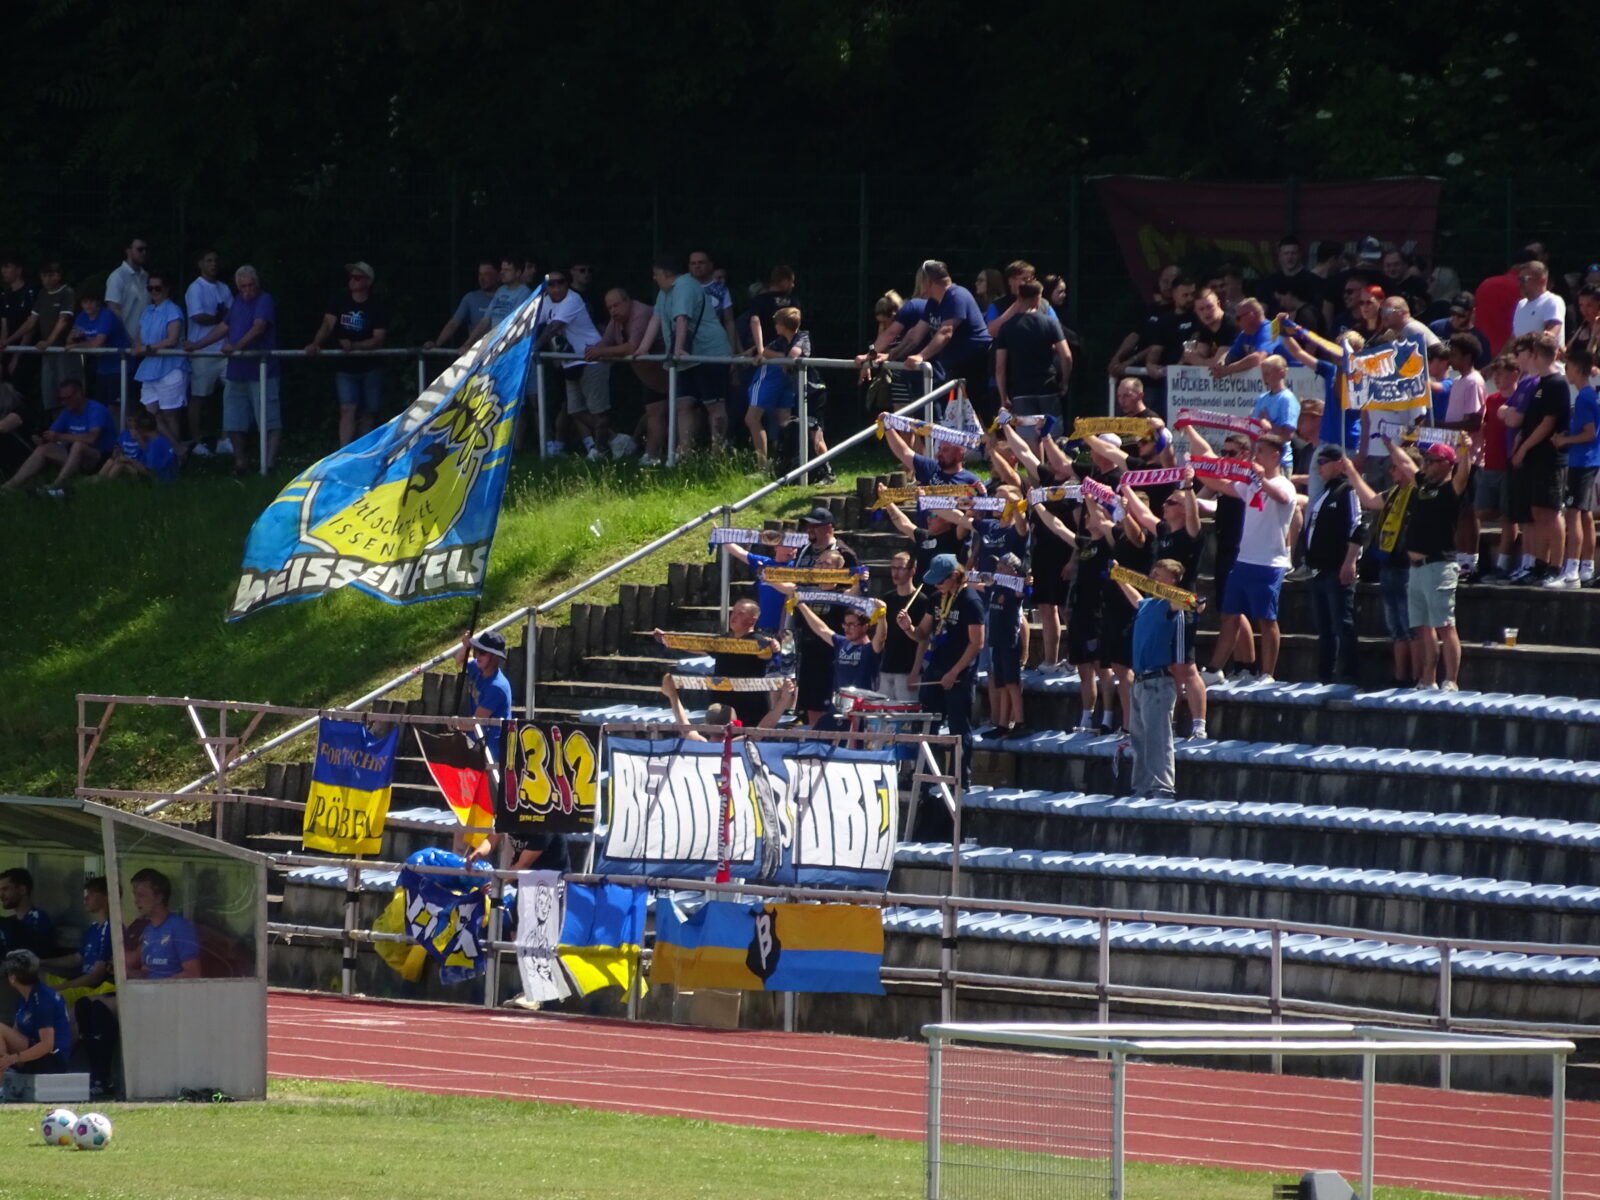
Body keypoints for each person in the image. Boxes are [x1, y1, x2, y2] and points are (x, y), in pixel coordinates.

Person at [1198, 432, 1296, 683]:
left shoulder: (1285, 485)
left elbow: (1282, 498)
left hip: (1268, 563)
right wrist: (1196, 468)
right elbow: (1223, 486)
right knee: (1229, 614)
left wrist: (1262, 479)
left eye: (1261, 451)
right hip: (1244, 560)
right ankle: (1214, 669)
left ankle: (1267, 673)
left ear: (1275, 455)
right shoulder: (1250, 484)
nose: (1256, 456)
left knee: (1266, 619)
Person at [1390, 435, 1472, 688]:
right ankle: (1428, 679)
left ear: (1447, 464)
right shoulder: (1423, 485)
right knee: (1423, 628)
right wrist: (1389, 443)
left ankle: (1451, 680)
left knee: (1445, 626)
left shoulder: (1451, 489)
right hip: (1416, 568)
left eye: (1433, 461)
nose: (1426, 465)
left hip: (1439, 565)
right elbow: (1405, 464)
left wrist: (1465, 449)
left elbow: (1464, 474)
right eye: (1426, 460)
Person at [899, 553, 984, 792]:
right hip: (935, 669)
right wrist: (909, 628)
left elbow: (977, 643)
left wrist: (954, 672)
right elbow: (922, 634)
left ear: (955, 576)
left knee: (958, 727)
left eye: (941, 581)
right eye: (934, 581)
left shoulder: (970, 600)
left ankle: (960, 780)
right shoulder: (936, 599)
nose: (936, 585)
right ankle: (927, 778)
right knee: (928, 725)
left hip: (960, 674)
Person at [1113, 558, 1193, 798]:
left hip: (1158, 682)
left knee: (1158, 738)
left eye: (1160, 574)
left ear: (1172, 581)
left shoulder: (1171, 606)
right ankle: (1142, 786)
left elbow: (1191, 601)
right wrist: (1119, 574)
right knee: (1139, 739)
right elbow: (1135, 597)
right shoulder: (1146, 604)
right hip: (1139, 682)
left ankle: (1163, 787)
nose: (1154, 577)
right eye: (1153, 573)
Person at [642, 254, 733, 452]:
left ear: (665, 274)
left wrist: (678, 349)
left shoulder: (684, 286)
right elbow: (655, 320)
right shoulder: (663, 292)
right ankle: (684, 455)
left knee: (714, 405)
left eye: (656, 274)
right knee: (683, 405)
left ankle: (718, 455)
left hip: (708, 354)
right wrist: (642, 349)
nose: (654, 278)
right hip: (686, 359)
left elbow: (682, 318)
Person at [655, 597, 784, 728]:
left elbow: (768, 652)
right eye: (733, 612)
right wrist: (668, 640)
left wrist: (774, 646)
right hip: (722, 705)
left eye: (740, 613)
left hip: (751, 707)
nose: (734, 616)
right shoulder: (724, 640)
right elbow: (699, 647)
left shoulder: (759, 641)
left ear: (752, 620)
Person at [1506, 332, 1571, 586]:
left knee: (1550, 512)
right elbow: (1531, 420)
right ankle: (1539, 564)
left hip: (1549, 458)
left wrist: (1523, 449)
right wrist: (1520, 442)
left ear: (1535, 353)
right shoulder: (1540, 383)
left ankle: (1556, 567)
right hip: (1534, 458)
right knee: (1536, 511)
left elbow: (1548, 422)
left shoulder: (1557, 382)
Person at [306, 261, 389, 446]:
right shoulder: (339, 300)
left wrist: (354, 346)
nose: (352, 281)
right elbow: (327, 324)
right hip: (345, 367)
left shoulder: (376, 306)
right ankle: (344, 452)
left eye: (357, 277)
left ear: (368, 282)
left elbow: (378, 339)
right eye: (351, 277)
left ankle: (363, 451)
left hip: (370, 366)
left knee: (369, 411)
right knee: (347, 408)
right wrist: (315, 343)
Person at [1300, 446, 1365, 683]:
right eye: (1318, 462)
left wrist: (1350, 561)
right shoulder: (1325, 494)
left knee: (1342, 624)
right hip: (1318, 570)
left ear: (1339, 463)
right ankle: (1325, 675)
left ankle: (1350, 675)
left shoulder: (1348, 490)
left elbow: (1357, 526)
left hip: (1337, 569)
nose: (1319, 467)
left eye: (1324, 462)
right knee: (1325, 628)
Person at [532, 268, 609, 459]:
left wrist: (534, 347)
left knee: (596, 409)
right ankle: (615, 439)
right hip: (570, 363)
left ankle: (601, 451)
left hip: (590, 359)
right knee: (575, 411)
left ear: (567, 284)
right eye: (551, 284)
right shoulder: (547, 302)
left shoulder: (573, 300)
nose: (556, 287)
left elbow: (554, 327)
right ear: (546, 287)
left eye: (561, 283)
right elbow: (533, 322)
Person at [589, 286, 669, 465]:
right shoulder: (616, 319)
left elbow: (632, 347)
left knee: (664, 411)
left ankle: (660, 454)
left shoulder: (640, 314)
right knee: (654, 411)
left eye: (616, 305)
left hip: (669, 371)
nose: (613, 311)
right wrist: (599, 351)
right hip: (649, 376)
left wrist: (601, 352)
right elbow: (606, 341)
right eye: (609, 308)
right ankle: (642, 449)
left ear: (627, 301)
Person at [903, 260, 993, 409]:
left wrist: (921, 356)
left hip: (976, 366)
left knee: (977, 417)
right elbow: (915, 333)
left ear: (928, 281)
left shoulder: (956, 296)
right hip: (956, 368)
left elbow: (946, 331)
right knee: (957, 417)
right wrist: (891, 354)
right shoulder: (934, 302)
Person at [0, 377, 114, 493]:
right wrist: (43, 439)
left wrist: (59, 437)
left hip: (99, 458)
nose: (64, 402)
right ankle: (9, 486)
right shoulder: (66, 412)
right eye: (61, 399)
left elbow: (91, 438)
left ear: (79, 394)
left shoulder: (96, 410)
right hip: (75, 457)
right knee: (44, 449)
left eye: (68, 398)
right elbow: (52, 434)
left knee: (78, 445)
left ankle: (56, 486)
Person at [220, 265, 281, 476]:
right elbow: (224, 327)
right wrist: (197, 345)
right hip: (237, 372)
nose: (247, 290)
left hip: (262, 371)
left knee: (268, 420)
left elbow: (259, 326)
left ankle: (269, 466)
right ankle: (240, 464)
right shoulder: (236, 302)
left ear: (257, 283)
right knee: (233, 421)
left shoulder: (264, 300)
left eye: (251, 285)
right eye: (243, 286)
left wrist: (236, 346)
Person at [1441, 334, 1487, 576]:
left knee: (1469, 509)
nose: (1451, 359)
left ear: (1468, 356)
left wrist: (1440, 425)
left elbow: (1474, 421)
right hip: (1454, 456)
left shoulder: (1473, 381)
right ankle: (1461, 556)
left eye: (1455, 354)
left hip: (1470, 455)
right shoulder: (1458, 381)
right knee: (1459, 508)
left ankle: (1471, 558)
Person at [995, 279, 1072, 422]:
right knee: (1051, 434)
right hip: (1047, 387)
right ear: (1038, 298)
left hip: (1021, 390)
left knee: (1027, 436)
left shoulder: (1006, 327)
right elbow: (1066, 355)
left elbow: (1000, 367)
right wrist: (1064, 382)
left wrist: (1003, 397)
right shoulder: (1050, 323)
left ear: (1019, 298)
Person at [1553, 348, 1599, 587]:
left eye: (1568, 367)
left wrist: (1565, 441)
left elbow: (1590, 433)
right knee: (1584, 515)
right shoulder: (1588, 396)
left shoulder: (1583, 397)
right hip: (1587, 461)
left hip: (1583, 462)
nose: (1566, 371)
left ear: (1578, 370)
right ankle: (1585, 568)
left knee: (1573, 514)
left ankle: (1571, 570)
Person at [1477, 355, 1524, 584]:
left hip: (1510, 466)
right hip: (1490, 464)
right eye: (1495, 374)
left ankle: (1504, 564)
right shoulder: (1491, 399)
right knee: (1481, 511)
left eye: (1502, 374)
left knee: (1508, 517)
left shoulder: (1521, 399)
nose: (1497, 378)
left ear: (1514, 374)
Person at [131, 270, 190, 452]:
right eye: (150, 288)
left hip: (170, 367)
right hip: (150, 368)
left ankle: (175, 453)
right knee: (151, 415)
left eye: (158, 287)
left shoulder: (173, 310)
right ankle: (171, 450)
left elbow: (172, 340)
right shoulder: (147, 310)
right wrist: (138, 347)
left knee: (170, 414)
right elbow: (140, 337)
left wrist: (146, 348)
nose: (154, 291)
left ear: (166, 289)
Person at [15, 261, 81, 417]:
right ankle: (56, 433)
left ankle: (72, 432)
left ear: (58, 276)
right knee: (51, 396)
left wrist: (48, 342)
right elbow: (31, 321)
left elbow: (63, 320)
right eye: (43, 276)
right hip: (48, 353)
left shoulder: (67, 292)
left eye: (50, 275)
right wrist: (9, 340)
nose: (46, 280)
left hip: (65, 351)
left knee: (69, 393)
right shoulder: (42, 294)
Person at [183, 249, 232, 455]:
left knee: (232, 391)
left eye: (215, 260)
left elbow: (233, 314)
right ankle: (198, 442)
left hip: (224, 350)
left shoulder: (224, 288)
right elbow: (198, 317)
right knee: (199, 397)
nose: (213, 264)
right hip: (202, 351)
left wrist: (224, 319)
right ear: (200, 264)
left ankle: (226, 438)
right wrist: (221, 319)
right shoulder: (195, 288)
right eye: (209, 260)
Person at [0, 950, 72, 1075]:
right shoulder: (25, 997)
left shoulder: (43, 999)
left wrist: (13, 1059)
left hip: (52, 1059)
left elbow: (47, 1045)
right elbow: (15, 1033)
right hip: (31, 1054)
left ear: (13, 978)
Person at [454, 629, 514, 768]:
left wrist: (454, 724)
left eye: (482, 653)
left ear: (494, 657)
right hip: (478, 743)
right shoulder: (479, 669)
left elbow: (476, 722)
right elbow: (460, 660)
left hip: (493, 750)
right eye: (476, 651)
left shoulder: (497, 687)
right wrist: (466, 645)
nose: (477, 655)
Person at [127, 868, 201, 979]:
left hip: (171, 994)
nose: (136, 901)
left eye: (141, 895)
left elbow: (192, 974)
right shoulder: (148, 930)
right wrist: (125, 974)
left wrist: (158, 988)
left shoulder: (180, 927)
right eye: (135, 895)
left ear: (159, 897)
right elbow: (148, 973)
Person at [67, 285, 131, 406]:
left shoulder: (106, 315)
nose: (88, 305)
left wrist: (77, 346)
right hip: (101, 369)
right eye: (85, 302)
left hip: (120, 367)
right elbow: (69, 341)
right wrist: (74, 339)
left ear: (98, 302)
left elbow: (98, 343)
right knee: (100, 406)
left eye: (91, 301)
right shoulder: (82, 317)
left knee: (116, 408)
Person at [879, 551, 931, 702]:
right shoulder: (887, 598)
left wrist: (915, 671)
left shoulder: (921, 600)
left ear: (912, 571)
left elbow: (924, 638)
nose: (896, 572)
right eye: (893, 568)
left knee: (905, 717)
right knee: (882, 715)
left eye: (900, 568)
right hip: (886, 666)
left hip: (908, 669)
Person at [424, 260, 499, 352]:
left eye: (487, 274)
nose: (482, 278)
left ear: (498, 276)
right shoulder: (471, 298)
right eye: (480, 274)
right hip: (477, 352)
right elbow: (454, 323)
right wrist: (437, 344)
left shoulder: (507, 297)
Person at [100, 407, 178, 482]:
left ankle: (104, 484)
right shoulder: (160, 440)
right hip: (162, 476)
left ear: (141, 429)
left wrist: (129, 460)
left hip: (161, 481)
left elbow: (149, 472)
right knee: (117, 462)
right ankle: (99, 480)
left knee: (121, 465)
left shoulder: (155, 445)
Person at [688, 250, 741, 358]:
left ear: (710, 265)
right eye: (693, 263)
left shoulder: (722, 290)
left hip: (716, 346)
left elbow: (729, 321)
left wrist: (731, 350)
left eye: (701, 262)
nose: (697, 266)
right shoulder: (684, 289)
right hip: (690, 346)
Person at [1251, 354, 1301, 469]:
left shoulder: (1287, 399)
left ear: (1281, 373)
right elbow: (1253, 430)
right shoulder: (1262, 398)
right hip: (1259, 459)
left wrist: (1269, 424)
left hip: (1279, 462)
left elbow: (1287, 435)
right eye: (1263, 373)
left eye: (1268, 373)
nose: (1265, 377)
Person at [0, 867, 55, 954]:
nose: (1, 895)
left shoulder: (38, 918)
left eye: (5, 889)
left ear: (22, 890)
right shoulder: (10, 921)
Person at [1429, 292, 1491, 368]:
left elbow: (1483, 369)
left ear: (1472, 313)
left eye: (1461, 315)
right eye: (1453, 313)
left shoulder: (1480, 340)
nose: (1455, 318)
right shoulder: (1436, 327)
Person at [1512, 261, 1566, 345]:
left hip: (1544, 357)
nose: (1520, 284)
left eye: (1524, 279)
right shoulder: (1520, 304)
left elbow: (1550, 336)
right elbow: (1514, 338)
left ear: (1542, 280)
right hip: (1522, 357)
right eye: (1519, 279)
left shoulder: (1552, 301)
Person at [105, 235, 150, 331]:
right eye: (140, 249)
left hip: (144, 338)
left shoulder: (146, 276)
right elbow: (113, 310)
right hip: (125, 340)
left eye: (146, 249)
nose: (144, 253)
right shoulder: (117, 276)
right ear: (128, 251)